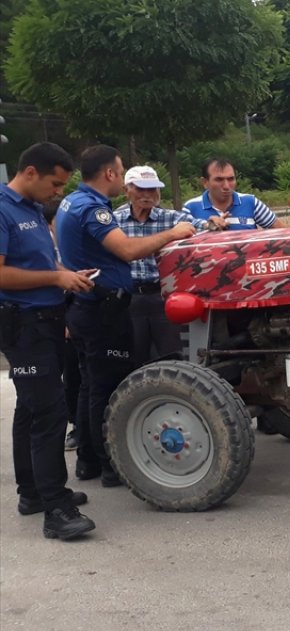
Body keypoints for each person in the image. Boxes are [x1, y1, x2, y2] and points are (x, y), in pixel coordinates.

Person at [58, 145, 195, 489]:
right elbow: (128, 250)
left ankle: (89, 459)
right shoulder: (93, 209)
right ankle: (111, 464)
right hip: (102, 309)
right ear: (110, 174)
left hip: (91, 306)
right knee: (107, 388)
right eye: (121, 172)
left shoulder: (72, 202)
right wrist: (172, 234)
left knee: (92, 385)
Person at [0, 142, 96, 539]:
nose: (59, 193)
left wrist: (66, 274)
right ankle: (56, 510)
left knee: (31, 408)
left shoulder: (32, 209)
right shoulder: (2, 208)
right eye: (55, 184)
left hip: (47, 320)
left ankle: (34, 492)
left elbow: (40, 262)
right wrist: (56, 279)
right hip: (23, 325)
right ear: (31, 173)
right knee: (50, 413)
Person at [114, 166, 196, 368]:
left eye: (152, 189)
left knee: (173, 355)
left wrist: (213, 223)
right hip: (128, 297)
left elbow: (199, 225)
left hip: (161, 295)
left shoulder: (172, 219)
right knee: (132, 356)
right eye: (141, 189)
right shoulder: (113, 222)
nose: (147, 195)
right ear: (126, 190)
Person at [42, 199, 82, 453]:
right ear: (51, 223)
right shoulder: (46, 249)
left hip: (80, 313)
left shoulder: (74, 245)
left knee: (85, 374)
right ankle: (76, 426)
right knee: (71, 377)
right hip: (60, 317)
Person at [183, 158, 283, 231]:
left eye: (231, 179)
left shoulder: (251, 202)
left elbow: (282, 232)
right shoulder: (191, 208)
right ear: (205, 182)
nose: (226, 186)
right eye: (219, 180)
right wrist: (208, 227)